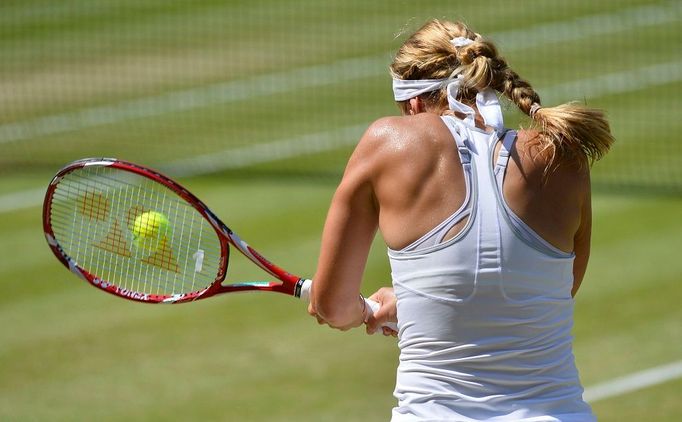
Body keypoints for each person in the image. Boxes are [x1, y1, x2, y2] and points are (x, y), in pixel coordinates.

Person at [308, 19, 613, 421]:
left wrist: (363, 311)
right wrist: (419, 302)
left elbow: (330, 306)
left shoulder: (387, 142)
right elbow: (547, 293)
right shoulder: (564, 156)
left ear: (413, 104)